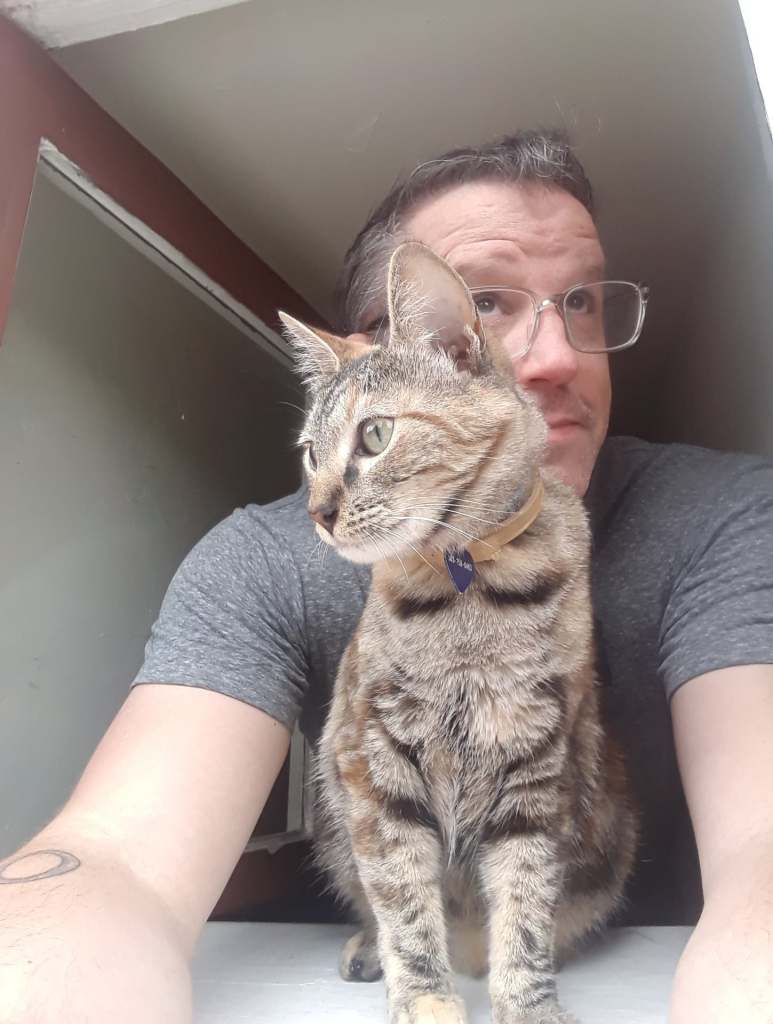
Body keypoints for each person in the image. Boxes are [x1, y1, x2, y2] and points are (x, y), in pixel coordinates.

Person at [1, 130, 772, 1024]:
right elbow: (116, 855)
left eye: (582, 302)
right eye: (481, 308)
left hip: (595, 942)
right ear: (381, 355)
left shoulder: (726, 516)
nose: (556, 358)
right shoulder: (257, 561)